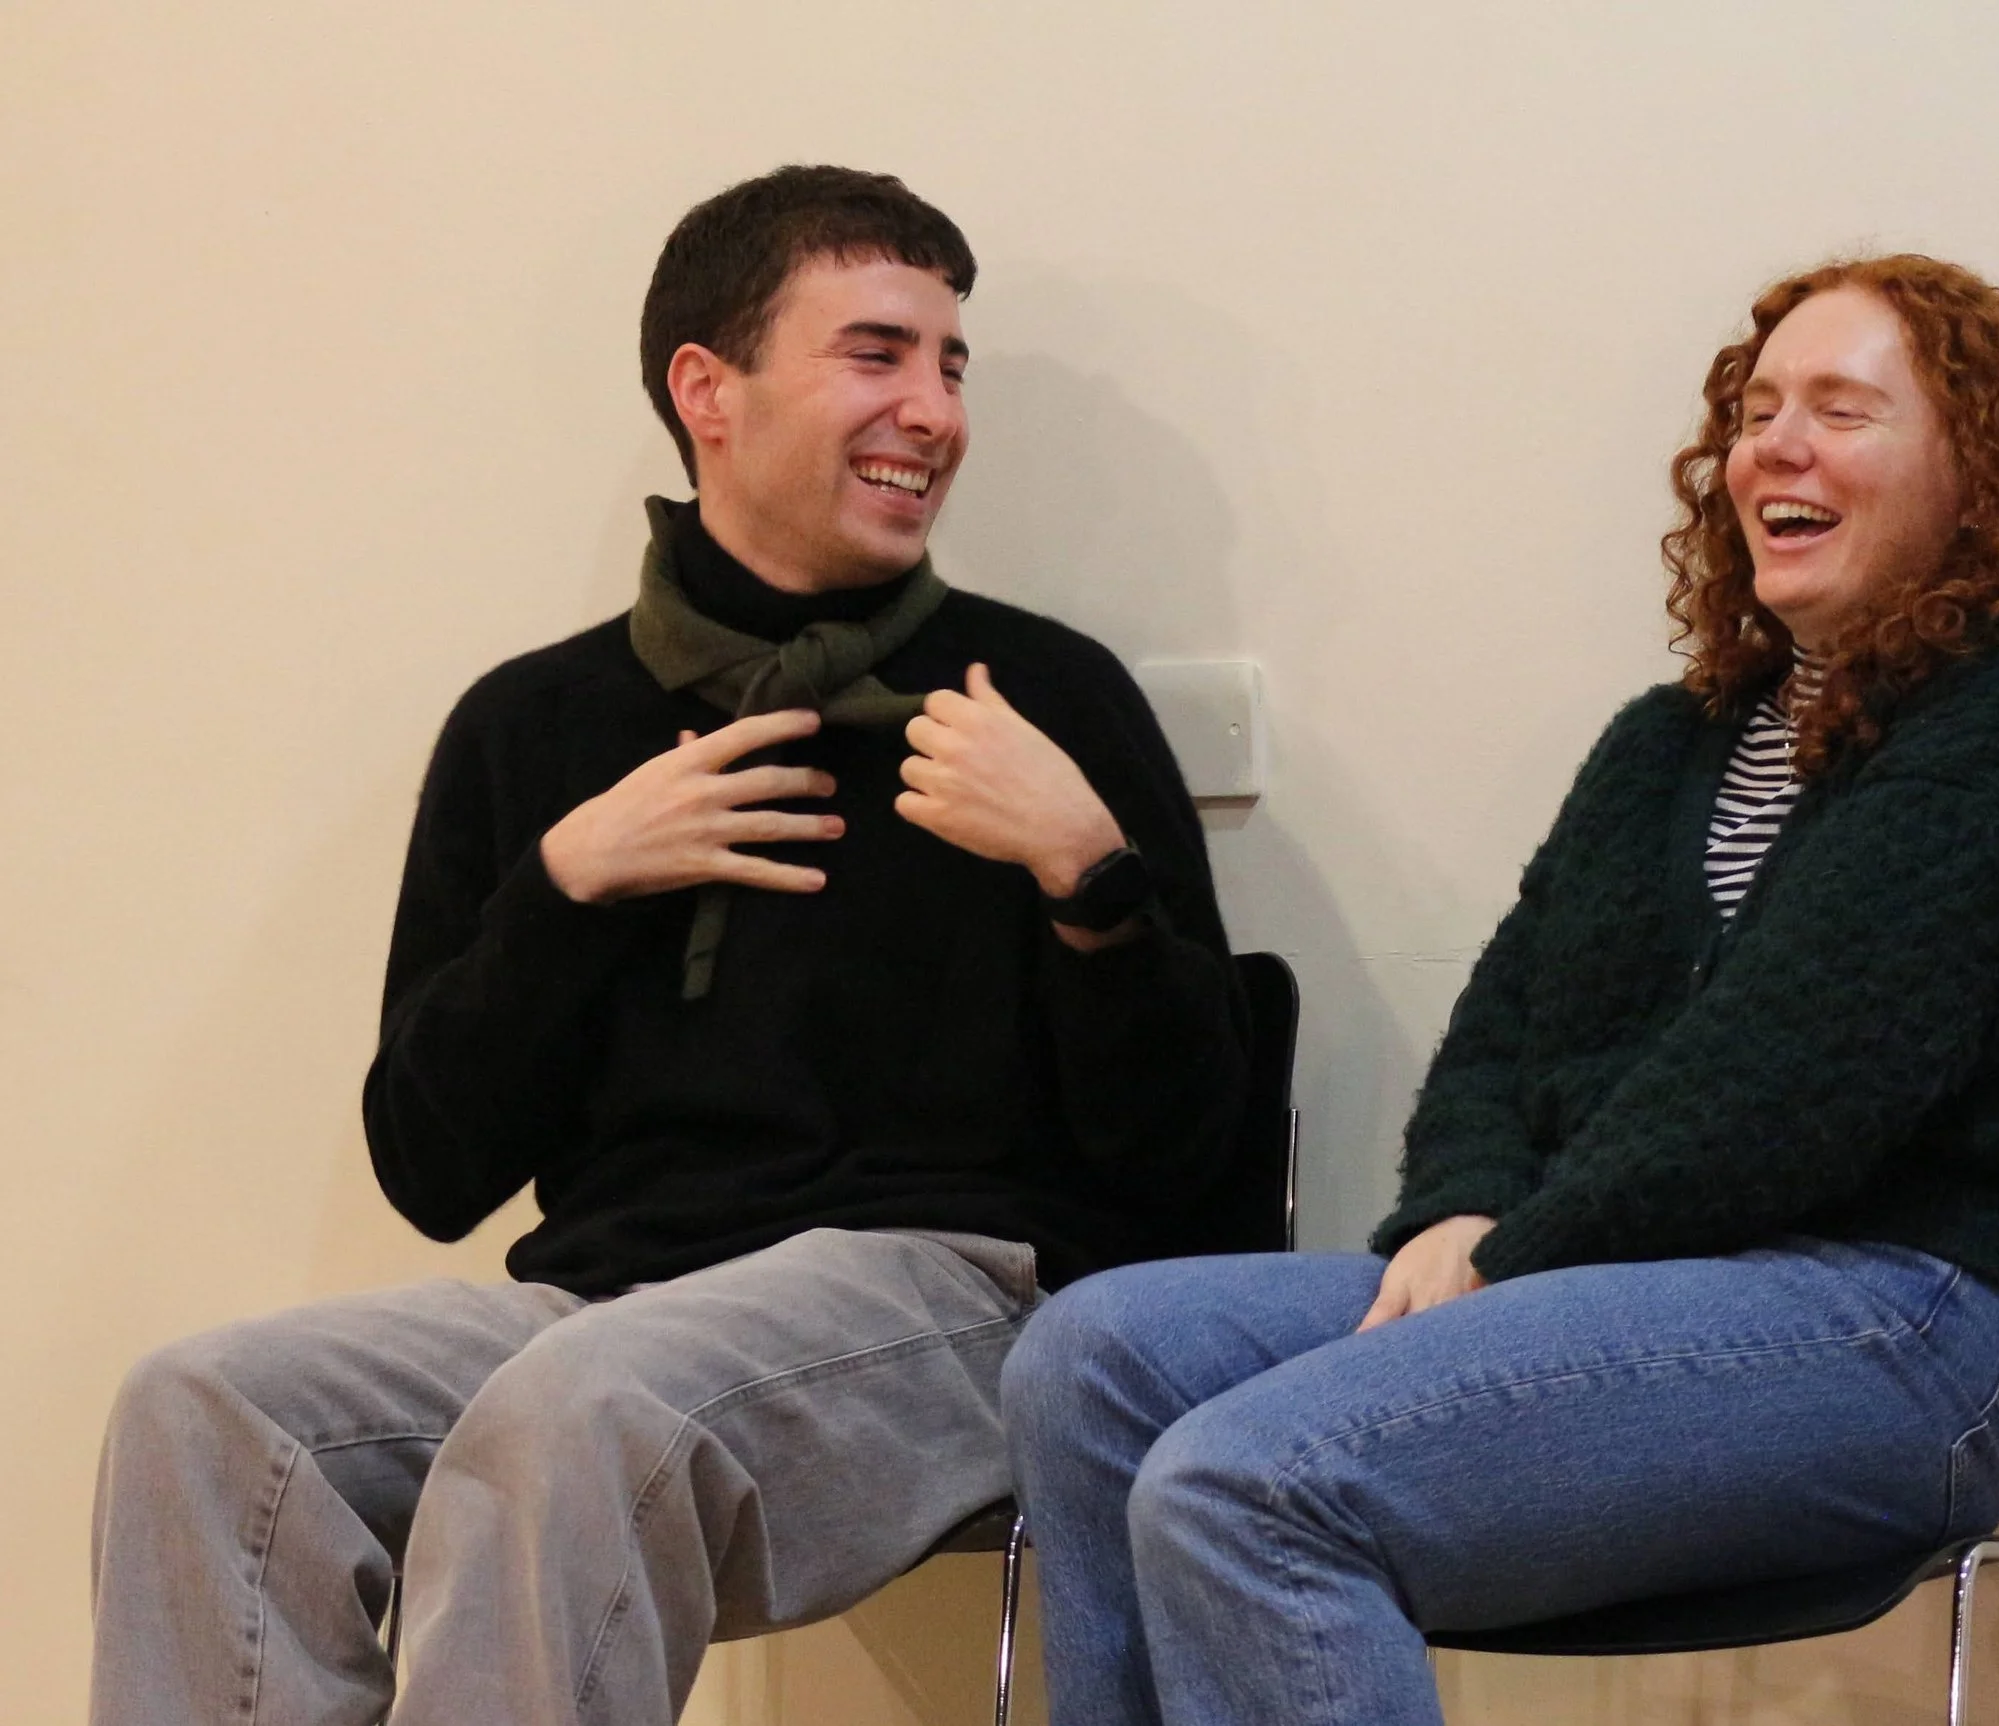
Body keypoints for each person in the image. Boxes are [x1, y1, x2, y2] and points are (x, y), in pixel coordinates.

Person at [89, 165, 1248, 1726]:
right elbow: (431, 1164)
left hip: (953, 1301)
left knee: (583, 1403)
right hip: (610, 1304)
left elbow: (1191, 1168)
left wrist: (1086, 873)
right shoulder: (538, 725)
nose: (935, 411)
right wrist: (565, 893)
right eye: (879, 353)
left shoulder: (1038, 698)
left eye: (950, 364)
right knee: (205, 1405)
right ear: (708, 389)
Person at [1001, 254, 1999, 1726]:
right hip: (1598, 1275)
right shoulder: (1667, 742)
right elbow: (1501, 1028)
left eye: (1842, 410)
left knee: (1249, 1482)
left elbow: (1788, 1082)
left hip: (1895, 1317)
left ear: (1982, 477)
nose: (1776, 446)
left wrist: (1514, 1255)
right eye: (1757, 413)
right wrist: (1457, 1209)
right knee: (1092, 1360)